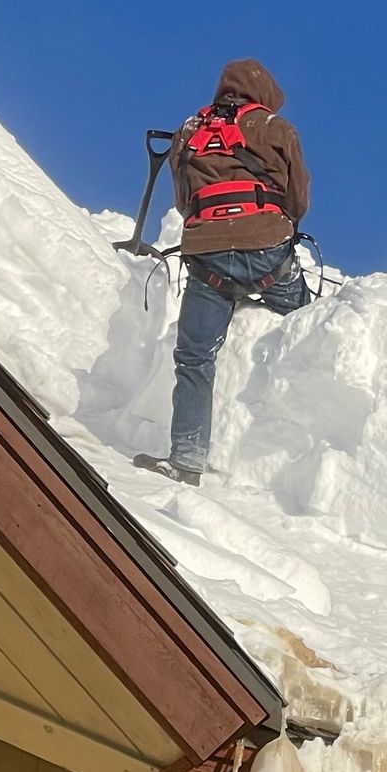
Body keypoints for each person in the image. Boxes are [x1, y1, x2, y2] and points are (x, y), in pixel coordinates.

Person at [135, 58, 311, 486]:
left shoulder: (191, 130)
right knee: (306, 319)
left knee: (195, 358)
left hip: (208, 256)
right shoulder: (277, 128)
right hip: (266, 250)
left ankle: (187, 459)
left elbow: (183, 201)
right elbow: (297, 198)